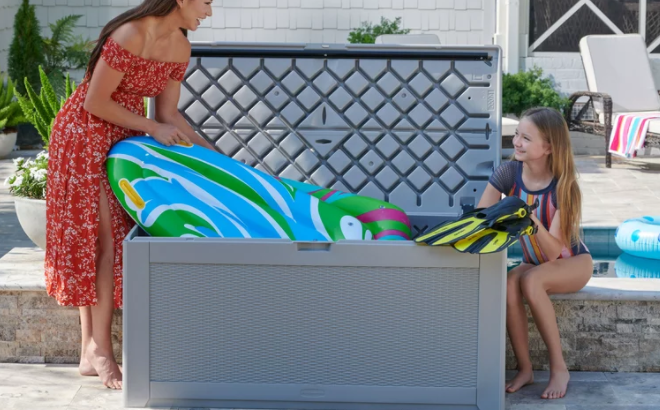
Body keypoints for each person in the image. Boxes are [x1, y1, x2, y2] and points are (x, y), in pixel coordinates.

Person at [45, 0, 215, 390]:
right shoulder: (130, 34)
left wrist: (215, 157)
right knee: (101, 240)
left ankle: (90, 349)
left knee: (109, 242)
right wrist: (150, 128)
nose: (209, 12)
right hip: (84, 134)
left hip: (124, 144)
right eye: (207, 2)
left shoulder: (180, 47)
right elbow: (94, 102)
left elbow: (169, 115)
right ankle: (100, 351)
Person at [477, 107, 592, 400]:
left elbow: (554, 251)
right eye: (517, 134)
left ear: (549, 147)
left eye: (526, 138)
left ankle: (559, 368)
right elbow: (480, 217)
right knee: (509, 282)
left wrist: (529, 218)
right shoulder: (508, 172)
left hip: (572, 263)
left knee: (531, 281)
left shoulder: (564, 187)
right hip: (534, 262)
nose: (516, 142)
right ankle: (525, 369)